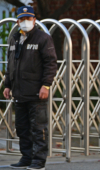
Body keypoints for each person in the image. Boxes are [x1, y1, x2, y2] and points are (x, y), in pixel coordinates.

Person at [3, 6, 57, 170]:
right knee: (22, 128)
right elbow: (10, 64)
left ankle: (39, 161)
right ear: (18, 21)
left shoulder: (43, 38)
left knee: (38, 129)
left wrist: (46, 85)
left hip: (36, 93)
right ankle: (26, 157)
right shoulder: (14, 38)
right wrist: (7, 84)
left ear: (34, 20)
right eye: (22, 19)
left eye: (29, 18)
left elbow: (51, 63)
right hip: (19, 93)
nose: (25, 22)